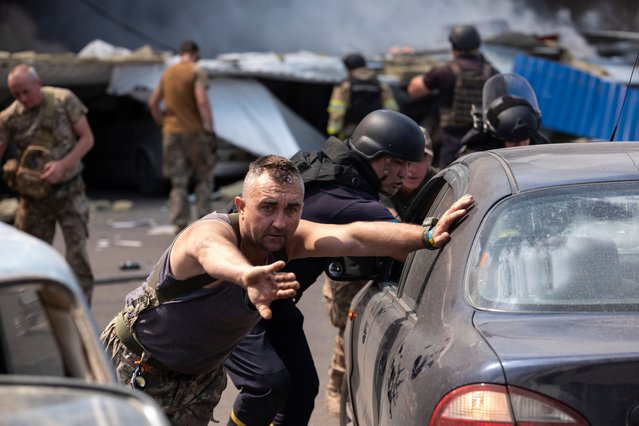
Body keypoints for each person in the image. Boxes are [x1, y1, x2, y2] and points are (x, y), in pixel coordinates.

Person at [101, 154, 473, 426]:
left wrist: (425, 234)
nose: (281, 221)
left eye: (293, 208)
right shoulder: (208, 232)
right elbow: (211, 253)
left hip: (198, 382)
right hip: (137, 369)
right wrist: (246, 275)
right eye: (268, 207)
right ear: (241, 206)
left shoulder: (288, 237)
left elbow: (354, 235)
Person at [225, 110, 430, 424]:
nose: (406, 173)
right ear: (378, 158)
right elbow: (407, 246)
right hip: (236, 294)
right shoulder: (349, 200)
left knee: (303, 389)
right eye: (400, 163)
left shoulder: (325, 166)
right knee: (267, 385)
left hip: (274, 299)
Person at [0, 64, 95, 303]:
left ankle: (80, 310)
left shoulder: (64, 101)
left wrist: (63, 164)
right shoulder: (10, 117)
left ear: (38, 84)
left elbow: (87, 139)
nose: (22, 98)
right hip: (34, 200)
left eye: (26, 91)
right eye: (15, 93)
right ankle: (33, 314)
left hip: (70, 192)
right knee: (29, 260)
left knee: (77, 255)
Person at [407, 24, 499, 168]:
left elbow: (414, 90)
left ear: (454, 46)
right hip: (484, 147)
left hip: (452, 145)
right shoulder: (493, 72)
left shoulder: (444, 71)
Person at [148, 39, 216, 234]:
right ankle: (204, 221)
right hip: (194, 133)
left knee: (178, 181)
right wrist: (209, 128)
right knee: (203, 177)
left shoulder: (167, 73)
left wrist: (162, 123)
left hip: (171, 133)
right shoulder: (196, 71)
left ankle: (180, 224)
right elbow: (202, 101)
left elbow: (153, 103)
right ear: (196, 53)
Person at [456, 73, 550, 158]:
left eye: (525, 139)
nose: (522, 146)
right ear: (498, 136)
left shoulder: (541, 146)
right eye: (514, 142)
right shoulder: (477, 155)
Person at [326, 53, 399, 139]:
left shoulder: (344, 85)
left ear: (348, 68)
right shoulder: (380, 84)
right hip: (375, 131)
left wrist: (333, 134)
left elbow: (336, 114)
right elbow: (392, 111)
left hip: (351, 132)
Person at [389, 126, 440, 220]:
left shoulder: (441, 183)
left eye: (420, 159)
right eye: (406, 161)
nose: (413, 170)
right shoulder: (381, 180)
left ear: (430, 160)